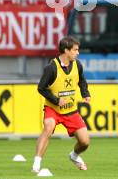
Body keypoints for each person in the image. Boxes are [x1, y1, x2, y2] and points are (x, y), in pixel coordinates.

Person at [32, 36, 91, 173]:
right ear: (66, 50)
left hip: (70, 110)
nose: (78, 53)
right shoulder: (51, 67)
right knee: (48, 127)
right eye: (75, 50)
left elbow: (81, 80)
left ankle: (74, 156)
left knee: (85, 142)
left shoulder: (78, 65)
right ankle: (37, 162)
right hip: (53, 108)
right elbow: (41, 88)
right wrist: (56, 100)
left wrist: (85, 93)